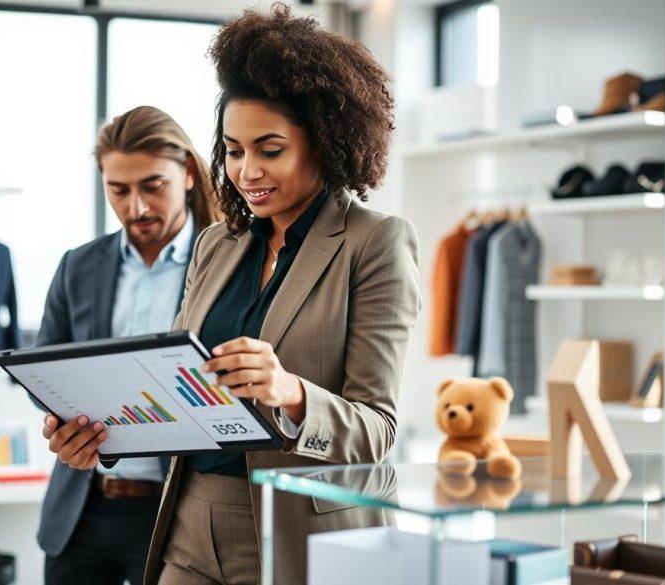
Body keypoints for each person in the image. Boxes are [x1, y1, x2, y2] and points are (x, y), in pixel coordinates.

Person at [44, 5, 421, 583]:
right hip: (190, 520)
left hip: (301, 530)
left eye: (270, 150)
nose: (247, 172)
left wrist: (291, 392)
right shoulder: (217, 244)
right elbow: (175, 389)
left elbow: (377, 431)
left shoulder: (374, 243)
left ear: (324, 143)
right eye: (234, 150)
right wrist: (102, 436)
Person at [35, 105, 215, 585]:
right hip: (82, 509)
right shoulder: (78, 265)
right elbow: (42, 372)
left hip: (175, 511)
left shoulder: (224, 263)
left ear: (188, 174)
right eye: (118, 190)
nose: (136, 207)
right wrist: (62, 421)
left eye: (152, 186)